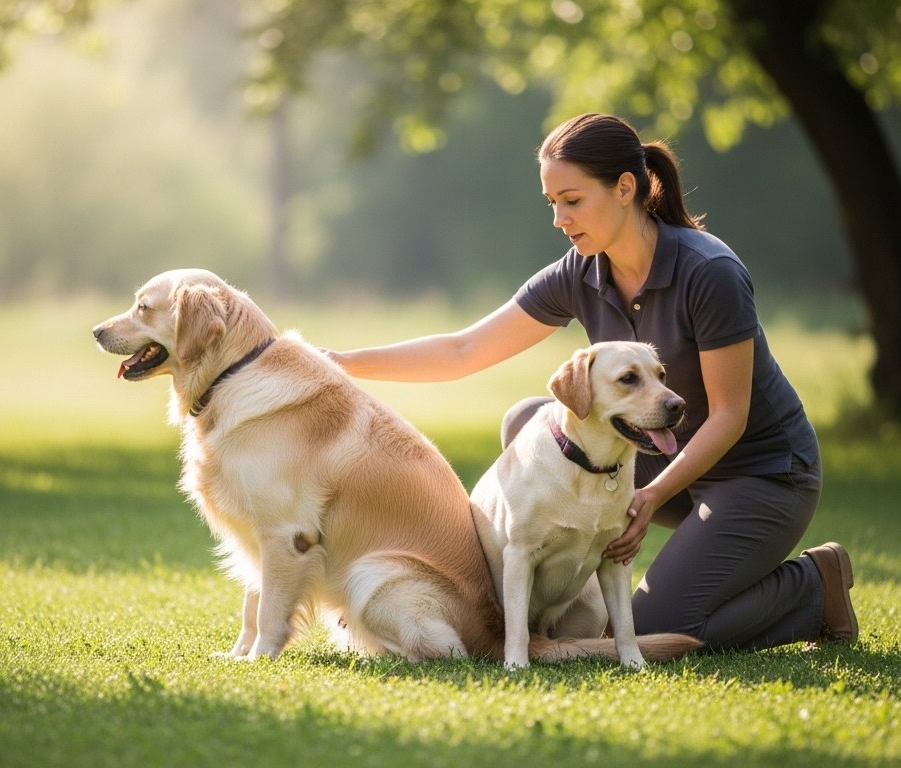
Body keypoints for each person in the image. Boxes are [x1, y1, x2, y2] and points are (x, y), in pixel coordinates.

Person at [325, 113, 857, 651]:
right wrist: (340, 362)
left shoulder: (708, 271)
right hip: (660, 452)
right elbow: (465, 350)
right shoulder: (579, 271)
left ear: (625, 188)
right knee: (528, 423)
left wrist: (650, 497)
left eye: (572, 200)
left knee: (651, 629)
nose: (559, 217)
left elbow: (729, 416)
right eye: (551, 202)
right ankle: (546, 606)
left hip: (759, 473)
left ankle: (814, 588)